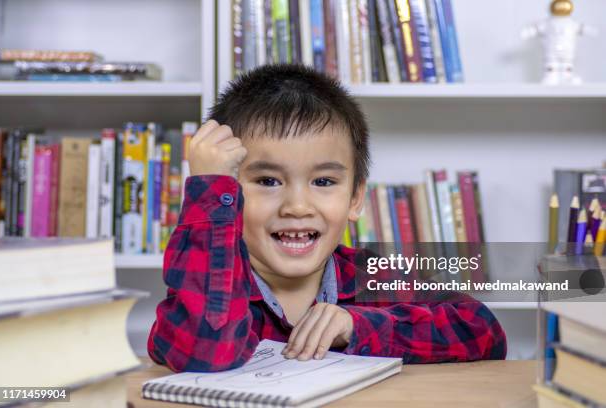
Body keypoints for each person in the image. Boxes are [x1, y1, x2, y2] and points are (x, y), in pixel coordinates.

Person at [147, 64, 506, 372]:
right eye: (268, 181)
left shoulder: (372, 278)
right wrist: (209, 189)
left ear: (354, 198)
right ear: (231, 196)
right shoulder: (214, 283)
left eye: (323, 181)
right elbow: (204, 352)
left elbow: (482, 330)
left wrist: (356, 325)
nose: (297, 206)